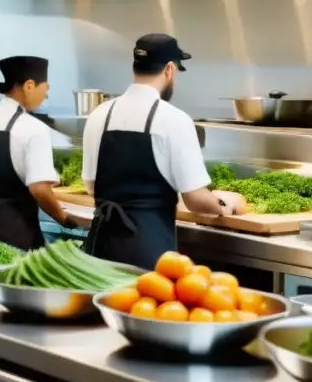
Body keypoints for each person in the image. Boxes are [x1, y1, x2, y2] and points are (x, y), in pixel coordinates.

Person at [81, 34, 236, 269]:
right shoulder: (174, 119)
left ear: (135, 68)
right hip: (147, 251)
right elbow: (195, 200)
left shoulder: (99, 114)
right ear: (169, 70)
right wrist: (223, 206)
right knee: (142, 306)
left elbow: (91, 185)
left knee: (102, 305)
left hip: (100, 247)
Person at [0, 56, 85, 250]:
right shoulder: (33, 128)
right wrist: (62, 217)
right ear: (29, 85)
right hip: (12, 235)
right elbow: (40, 189)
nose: (45, 96)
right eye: (45, 89)